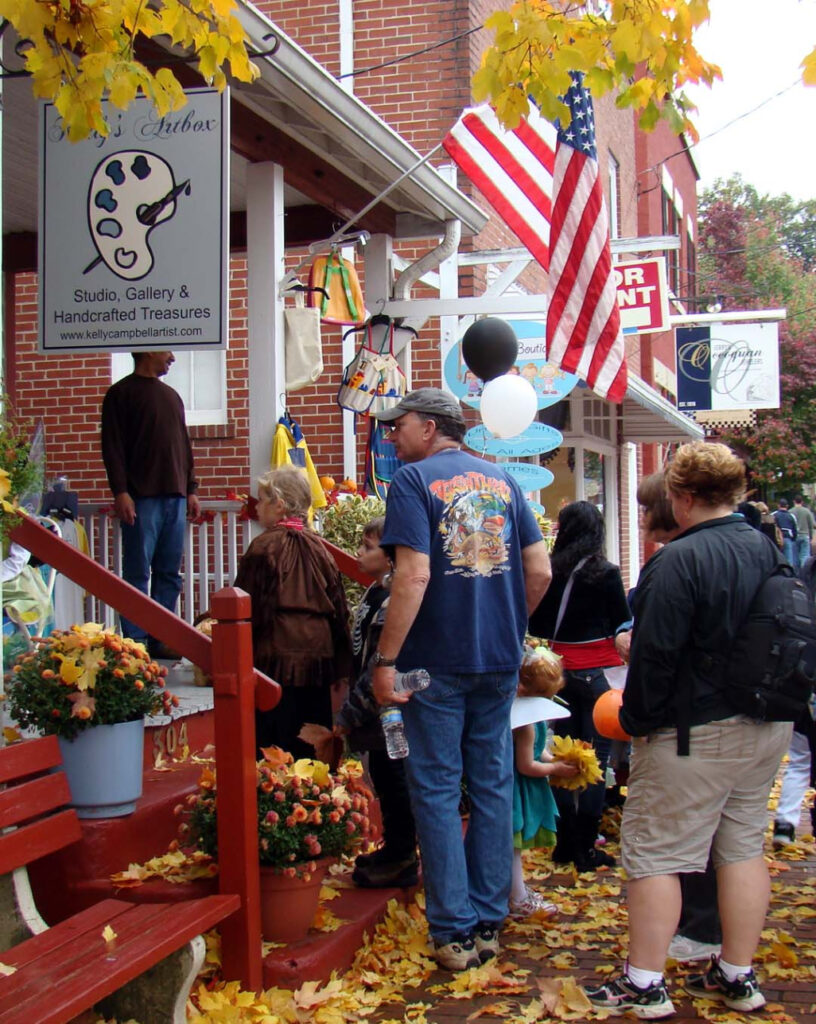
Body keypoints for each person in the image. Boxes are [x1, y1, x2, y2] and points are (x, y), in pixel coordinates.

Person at [585, 442, 792, 1019]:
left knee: (655, 856)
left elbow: (655, 660)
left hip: (693, 730)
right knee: (742, 848)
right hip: (765, 720)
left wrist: (633, 721)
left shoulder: (676, 561)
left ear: (681, 497)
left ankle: (645, 984)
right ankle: (736, 974)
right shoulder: (767, 548)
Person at [369, 388, 552, 972]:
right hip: (498, 658)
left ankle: (453, 931)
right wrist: (511, 623)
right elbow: (540, 568)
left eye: (399, 427)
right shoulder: (504, 482)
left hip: (433, 661)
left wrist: (385, 659)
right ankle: (489, 918)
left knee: (439, 791)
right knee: (493, 783)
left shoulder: (413, 483)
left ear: (428, 426)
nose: (392, 437)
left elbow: (414, 573)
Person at [528, 501, 630, 872]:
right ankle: (585, 847)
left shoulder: (551, 571)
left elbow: (536, 622)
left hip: (558, 677)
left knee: (562, 757)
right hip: (593, 678)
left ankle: (563, 841)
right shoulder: (605, 572)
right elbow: (622, 623)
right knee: (593, 763)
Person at [234, 466, 352, 759]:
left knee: (275, 747)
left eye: (262, 499)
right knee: (312, 746)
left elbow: (249, 607)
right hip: (318, 662)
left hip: (274, 664)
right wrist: (341, 662)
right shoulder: (321, 549)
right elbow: (340, 610)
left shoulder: (264, 547)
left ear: (279, 504)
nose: (257, 506)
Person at [335, 516, 418, 888]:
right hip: (372, 711)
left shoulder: (392, 600)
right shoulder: (372, 592)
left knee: (394, 777)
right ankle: (395, 848)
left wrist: (350, 712)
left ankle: (402, 855)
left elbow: (378, 664)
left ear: (389, 556)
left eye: (368, 547)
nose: (359, 553)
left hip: (389, 710)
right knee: (384, 778)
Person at [100, 351, 199, 658]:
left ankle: (161, 637)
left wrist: (192, 489)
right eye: (167, 351)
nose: (172, 357)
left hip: (176, 497)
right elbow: (112, 446)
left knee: (170, 572)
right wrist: (121, 491)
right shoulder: (120, 394)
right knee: (137, 572)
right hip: (140, 498)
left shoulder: (172, 396)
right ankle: (135, 642)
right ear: (148, 351)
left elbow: (184, 445)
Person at [510, 657, 578, 918]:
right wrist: (555, 769)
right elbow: (527, 764)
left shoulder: (533, 719)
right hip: (520, 788)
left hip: (526, 785)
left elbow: (541, 752)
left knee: (515, 846)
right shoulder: (524, 725)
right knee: (513, 844)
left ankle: (517, 890)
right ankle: (516, 897)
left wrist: (556, 759)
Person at [791, 495, 815, 569]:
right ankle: (805, 572)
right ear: (802, 502)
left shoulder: (790, 511)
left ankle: (796, 574)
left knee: (795, 557)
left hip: (794, 537)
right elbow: (812, 525)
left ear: (794, 501)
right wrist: (811, 537)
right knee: (804, 556)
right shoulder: (807, 512)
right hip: (805, 536)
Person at [773, 497, 798, 567]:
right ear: (787, 506)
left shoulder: (774, 515)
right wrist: (794, 539)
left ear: (778, 505)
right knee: (789, 560)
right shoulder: (791, 516)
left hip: (777, 540)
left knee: (777, 559)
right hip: (787, 538)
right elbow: (795, 529)